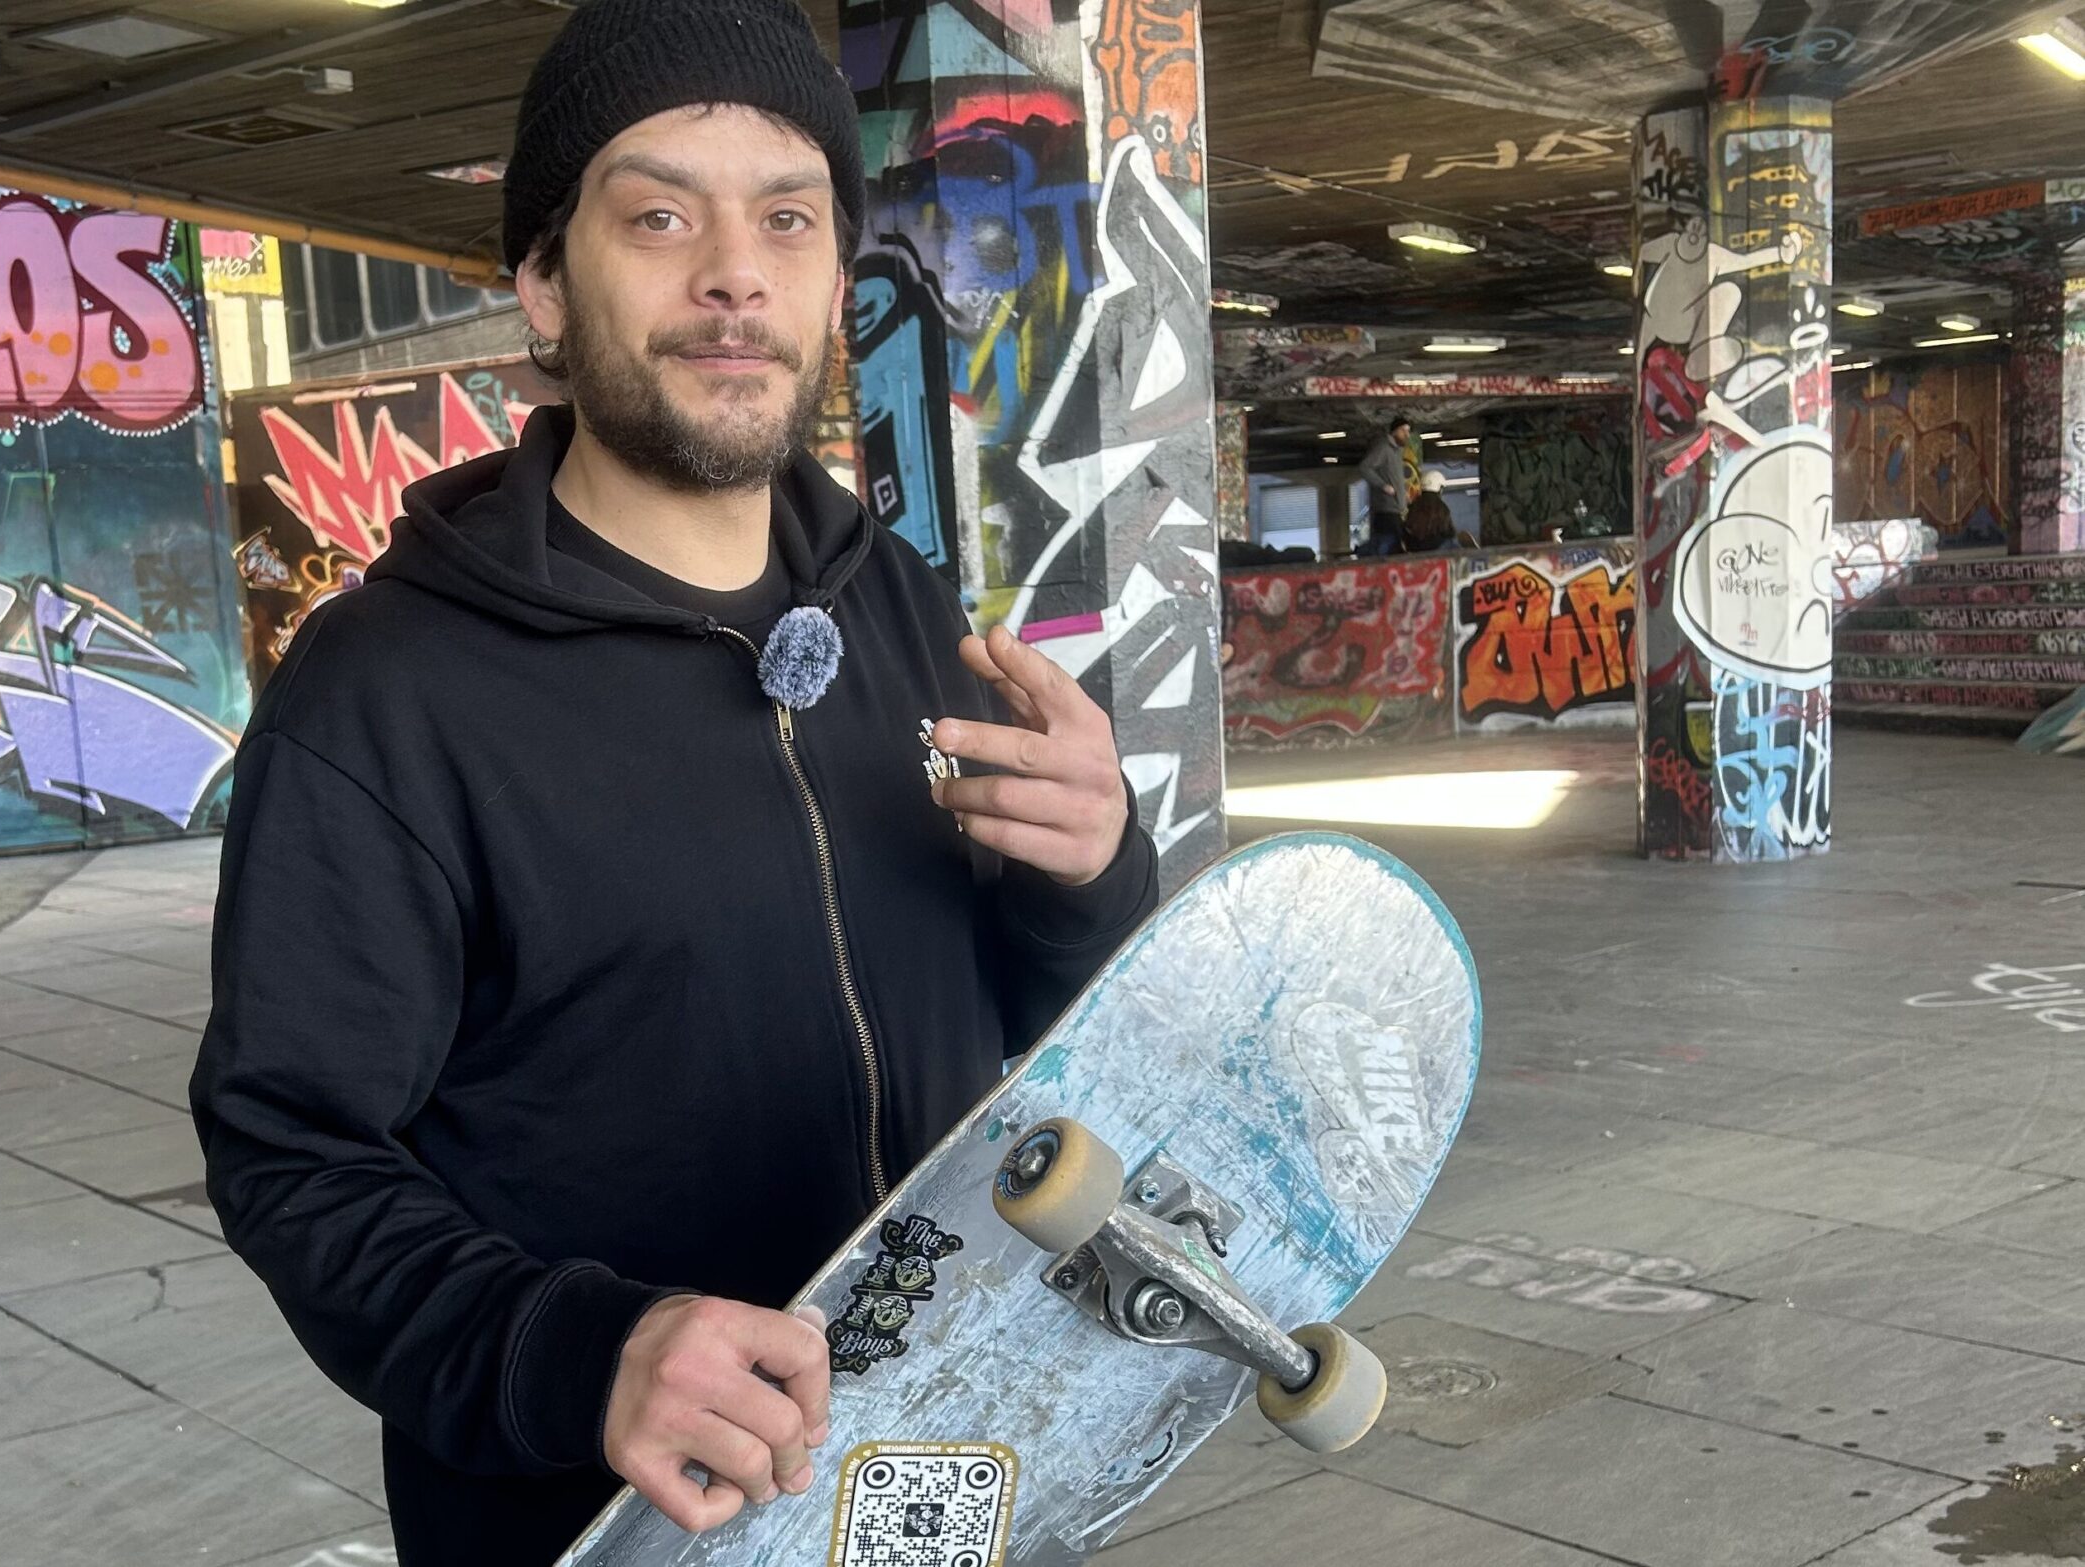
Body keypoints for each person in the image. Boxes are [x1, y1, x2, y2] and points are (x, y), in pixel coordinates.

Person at [188, 1, 1161, 1562]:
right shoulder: (387, 692)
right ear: (543, 288)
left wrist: (1093, 870)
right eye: (656, 216)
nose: (734, 271)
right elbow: (292, 1151)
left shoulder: (899, 602)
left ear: (835, 283)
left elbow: (1041, 1012)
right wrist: (581, 1352)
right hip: (602, 1520)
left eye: (788, 218)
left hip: (933, 1460)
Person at [1357, 415, 1412, 554]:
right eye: (1403, 430)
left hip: (1395, 508)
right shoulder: (1383, 448)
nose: (1407, 434)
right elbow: (1365, 467)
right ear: (1394, 431)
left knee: (1395, 546)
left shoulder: (1397, 451)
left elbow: (1394, 476)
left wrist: (1402, 493)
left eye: (1408, 431)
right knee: (1390, 546)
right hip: (1386, 509)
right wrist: (1383, 486)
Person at [1398, 470, 1456, 552]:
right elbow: (1450, 532)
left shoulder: (1413, 506)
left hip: (1414, 548)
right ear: (1439, 488)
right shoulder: (1441, 508)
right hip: (1436, 549)